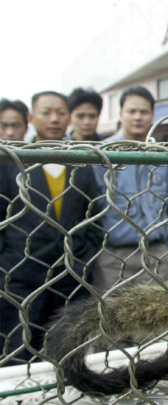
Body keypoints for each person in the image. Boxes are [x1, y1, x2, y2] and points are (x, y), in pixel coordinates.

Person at [0, 91, 102, 363]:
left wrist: (85, 258)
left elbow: (96, 212)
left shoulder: (82, 160)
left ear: (68, 117)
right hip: (21, 276)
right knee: (19, 351)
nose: (54, 119)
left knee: (68, 349)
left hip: (72, 275)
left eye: (60, 112)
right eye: (46, 112)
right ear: (31, 117)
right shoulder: (11, 160)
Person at [92, 86, 168, 292]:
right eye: (131, 111)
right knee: (112, 317)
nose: (137, 117)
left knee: (153, 317)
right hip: (113, 255)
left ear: (152, 116)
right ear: (120, 114)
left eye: (143, 112)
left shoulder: (164, 156)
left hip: (155, 252)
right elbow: (93, 202)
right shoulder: (101, 154)